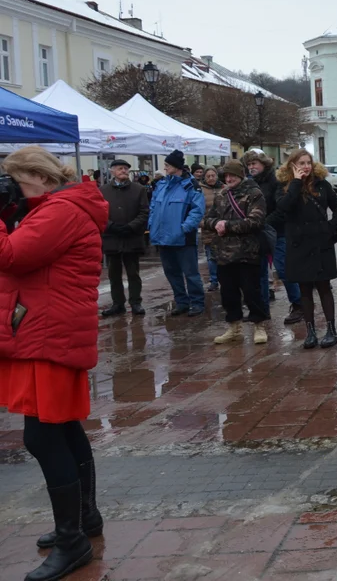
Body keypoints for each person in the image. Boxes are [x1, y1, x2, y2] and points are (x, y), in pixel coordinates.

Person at [0, 146, 107, 581]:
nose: (18, 193)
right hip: (50, 329)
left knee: (42, 438)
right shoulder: (60, 207)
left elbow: (9, 257)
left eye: (19, 183)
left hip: (50, 333)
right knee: (61, 428)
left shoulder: (59, 212)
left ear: (39, 177)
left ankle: (72, 541)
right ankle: (84, 520)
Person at [273, 149, 337, 349]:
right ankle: (310, 331)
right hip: (298, 244)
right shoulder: (284, 187)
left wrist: (331, 227)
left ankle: (331, 329)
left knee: (323, 287)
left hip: (321, 242)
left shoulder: (322, 184)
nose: (306, 166)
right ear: (292, 166)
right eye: (301, 163)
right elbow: (283, 207)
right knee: (304, 289)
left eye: (308, 163)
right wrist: (296, 182)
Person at [203, 160, 270, 344]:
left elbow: (255, 221)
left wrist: (228, 225)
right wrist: (215, 224)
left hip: (248, 252)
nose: (229, 178)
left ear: (241, 175)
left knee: (251, 291)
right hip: (224, 254)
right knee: (228, 293)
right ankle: (234, 327)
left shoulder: (254, 194)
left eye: (232, 175)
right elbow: (207, 219)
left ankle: (259, 325)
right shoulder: (222, 194)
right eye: (226, 175)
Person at [245, 149, 303, 325]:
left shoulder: (275, 181)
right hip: (259, 232)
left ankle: (298, 304)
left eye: (254, 163)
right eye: (248, 164)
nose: (251, 167)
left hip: (278, 231)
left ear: (264, 163)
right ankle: (262, 309)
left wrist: (266, 221)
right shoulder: (250, 183)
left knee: (284, 270)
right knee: (260, 271)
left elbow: (282, 208)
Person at [149, 150, 206, 316]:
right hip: (163, 237)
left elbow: (197, 211)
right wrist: (152, 224)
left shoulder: (191, 186)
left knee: (190, 273)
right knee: (172, 273)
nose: (165, 168)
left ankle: (197, 302)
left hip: (183, 238)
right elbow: (153, 207)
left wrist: (184, 228)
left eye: (167, 165)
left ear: (176, 167)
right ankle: (181, 302)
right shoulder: (162, 185)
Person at [100, 159, 149, 317]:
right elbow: (98, 212)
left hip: (131, 236)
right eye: (120, 168)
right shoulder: (103, 190)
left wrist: (131, 226)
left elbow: (144, 212)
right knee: (114, 274)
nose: (124, 171)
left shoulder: (138, 189)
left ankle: (136, 302)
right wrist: (111, 226)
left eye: (126, 169)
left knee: (133, 272)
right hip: (112, 237)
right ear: (112, 171)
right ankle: (117, 303)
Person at [198, 167, 223, 292]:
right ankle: (214, 280)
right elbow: (197, 211)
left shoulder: (224, 188)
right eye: (208, 176)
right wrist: (203, 223)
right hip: (208, 229)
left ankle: (225, 279)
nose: (211, 178)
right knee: (211, 257)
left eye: (213, 175)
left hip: (224, 229)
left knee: (225, 256)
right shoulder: (200, 190)